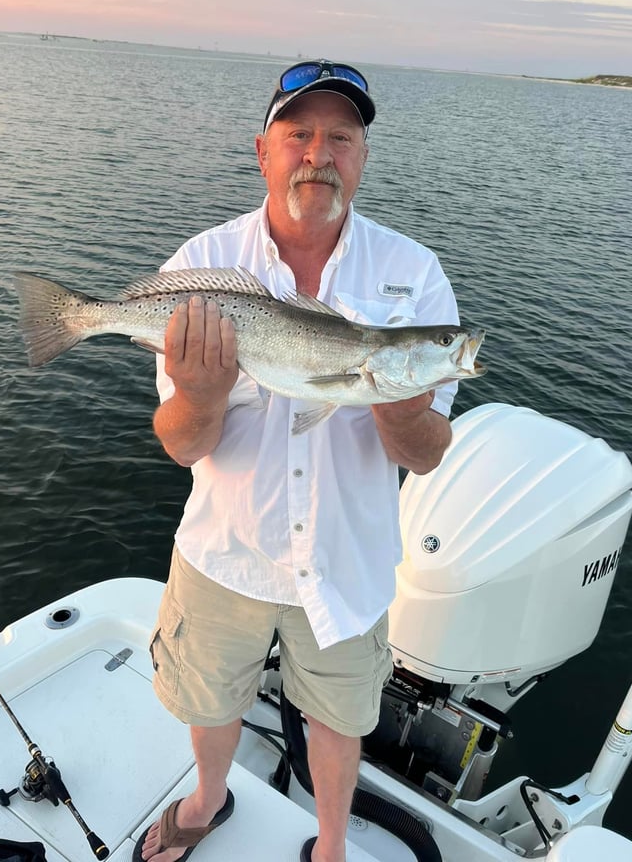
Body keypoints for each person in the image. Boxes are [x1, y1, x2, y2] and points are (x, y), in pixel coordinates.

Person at [134, 59, 459, 862]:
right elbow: (180, 443)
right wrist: (202, 395)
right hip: (223, 552)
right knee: (209, 704)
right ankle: (209, 800)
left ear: (363, 158)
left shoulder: (414, 278)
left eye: (340, 138)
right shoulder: (203, 262)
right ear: (263, 151)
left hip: (347, 561)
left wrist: (399, 402)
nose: (319, 153)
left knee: (340, 719)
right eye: (299, 134)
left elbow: (425, 456)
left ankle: (334, 846)